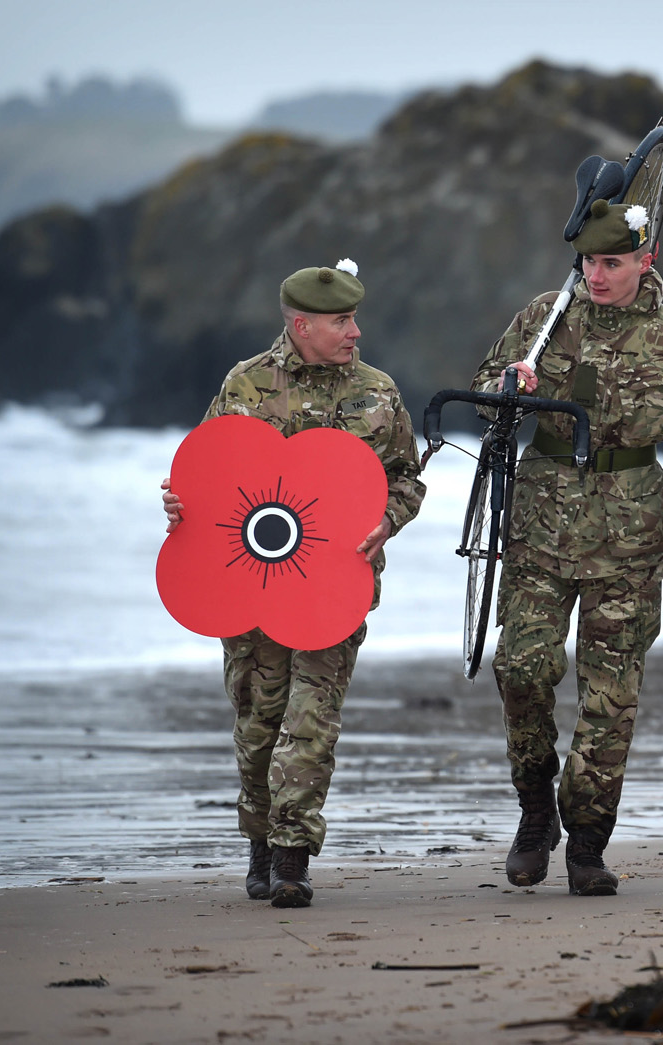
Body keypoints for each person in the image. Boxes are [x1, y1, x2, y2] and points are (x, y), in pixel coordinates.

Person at [470, 198, 663, 897]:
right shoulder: (545, 317)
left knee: (610, 695)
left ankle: (587, 840)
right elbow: (484, 393)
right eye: (588, 261)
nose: (597, 274)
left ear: (646, 259)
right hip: (540, 523)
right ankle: (535, 810)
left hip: (630, 534)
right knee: (521, 668)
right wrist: (507, 388)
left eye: (613, 262)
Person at [160, 260, 425, 907]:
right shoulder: (245, 385)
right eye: (342, 322)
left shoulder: (378, 392)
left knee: (311, 720)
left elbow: (406, 478)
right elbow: (203, 473)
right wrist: (177, 504)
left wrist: (388, 521)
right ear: (302, 325)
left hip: (335, 587)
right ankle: (260, 839)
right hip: (247, 584)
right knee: (259, 721)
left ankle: (290, 857)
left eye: (354, 320)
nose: (355, 332)